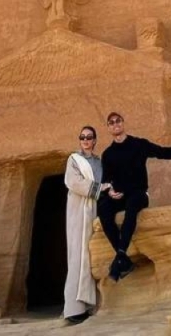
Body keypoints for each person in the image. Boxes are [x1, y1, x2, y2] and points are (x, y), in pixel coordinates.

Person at [98, 111, 171, 281]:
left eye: (118, 121)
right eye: (111, 122)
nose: (115, 124)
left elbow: (162, 152)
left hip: (139, 194)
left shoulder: (139, 144)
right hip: (119, 196)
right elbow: (106, 180)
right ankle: (123, 260)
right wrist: (110, 192)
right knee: (103, 209)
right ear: (108, 127)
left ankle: (120, 255)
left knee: (132, 207)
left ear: (123, 123)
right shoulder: (108, 154)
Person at [63, 125, 111, 325]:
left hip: (94, 210)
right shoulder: (74, 159)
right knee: (77, 255)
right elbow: (73, 182)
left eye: (89, 137)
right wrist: (100, 188)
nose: (85, 140)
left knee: (91, 255)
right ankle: (73, 309)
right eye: (82, 137)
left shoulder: (99, 163)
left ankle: (90, 305)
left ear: (94, 140)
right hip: (78, 211)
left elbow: (107, 183)